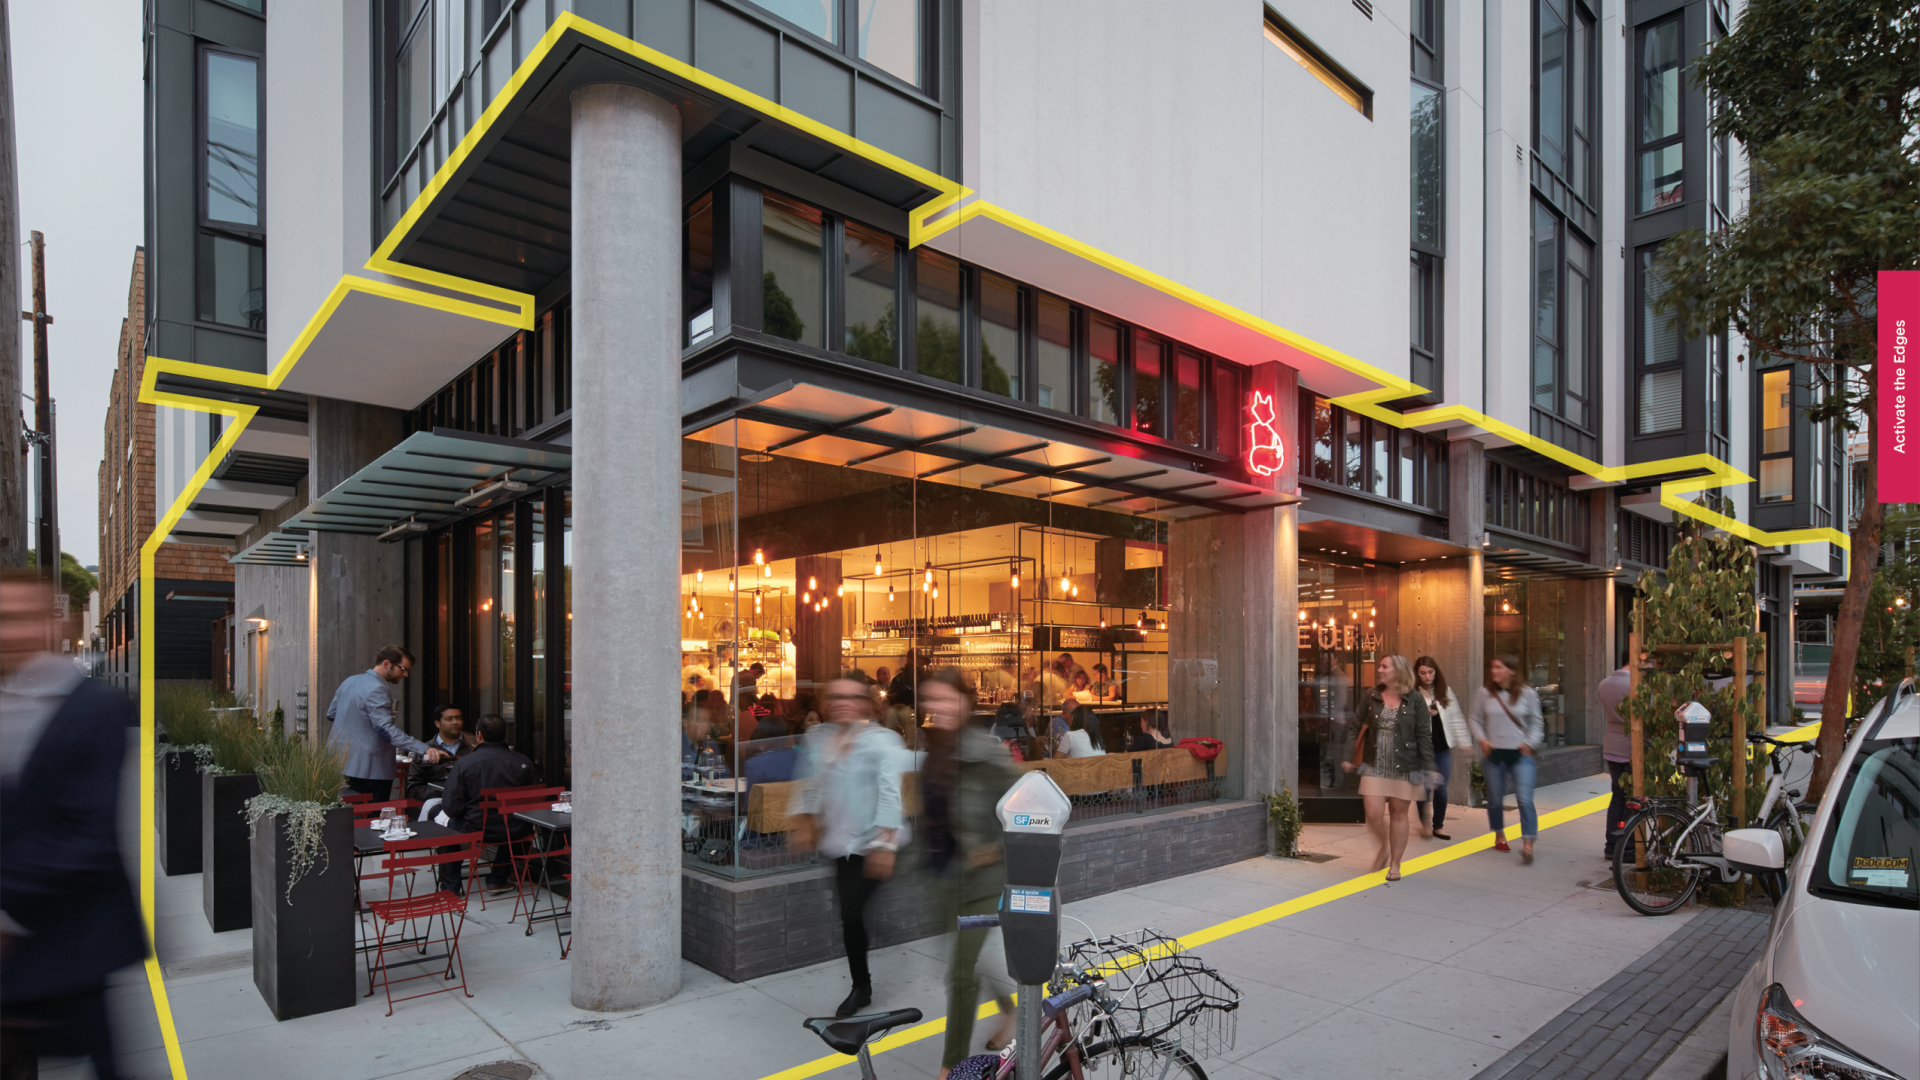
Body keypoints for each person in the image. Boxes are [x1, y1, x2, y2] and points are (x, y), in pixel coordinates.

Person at [0, 571, 145, 1079]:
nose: (9, 632)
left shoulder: (94, 706)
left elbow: (89, 836)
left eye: (19, 618)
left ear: (53, 621)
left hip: (75, 935)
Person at [918, 668, 1017, 1078]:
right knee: (967, 963)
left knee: (959, 974)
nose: (938, 707)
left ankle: (951, 1067)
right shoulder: (933, 750)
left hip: (982, 879)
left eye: (947, 698)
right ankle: (1009, 1011)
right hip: (944, 876)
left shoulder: (988, 755)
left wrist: (992, 847)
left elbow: (1021, 812)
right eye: (931, 699)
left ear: (966, 701)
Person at [791, 678, 904, 1019]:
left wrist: (884, 844)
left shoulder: (884, 741)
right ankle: (862, 985)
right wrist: (804, 819)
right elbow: (810, 782)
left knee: (852, 912)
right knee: (849, 915)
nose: (842, 703)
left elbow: (890, 791)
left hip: (873, 842)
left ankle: (860, 987)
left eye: (851, 697)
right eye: (835, 697)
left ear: (866, 704)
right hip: (839, 844)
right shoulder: (817, 737)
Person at [1344, 655, 1434, 881]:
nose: (1380, 670)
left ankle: (1395, 864)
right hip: (1374, 763)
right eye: (1380, 666)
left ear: (1398, 670)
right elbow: (1355, 725)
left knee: (1399, 815)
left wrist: (1430, 766)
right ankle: (1384, 846)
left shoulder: (1415, 699)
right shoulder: (1371, 695)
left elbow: (1424, 735)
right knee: (1373, 814)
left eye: (1385, 666)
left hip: (1405, 765)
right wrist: (1347, 756)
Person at [325, 645, 445, 802]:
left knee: (353, 811)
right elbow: (385, 730)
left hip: (342, 762)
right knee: (373, 813)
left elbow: (331, 714)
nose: (405, 674)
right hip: (371, 767)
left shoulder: (350, 681)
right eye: (403, 669)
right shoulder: (378, 688)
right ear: (387, 664)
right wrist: (424, 748)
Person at [437, 713, 540, 892]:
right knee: (515, 822)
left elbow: (451, 807)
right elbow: (534, 801)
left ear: (479, 735)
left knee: (449, 826)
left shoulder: (464, 764)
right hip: (516, 829)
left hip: (477, 828)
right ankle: (498, 878)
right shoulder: (523, 762)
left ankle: (450, 887)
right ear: (504, 735)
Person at [1468, 654, 1545, 863]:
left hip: (1520, 754)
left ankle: (1528, 843)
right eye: (1493, 667)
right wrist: (1482, 740)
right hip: (1494, 755)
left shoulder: (1528, 694)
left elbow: (1537, 723)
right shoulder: (1484, 693)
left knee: (1525, 799)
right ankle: (1499, 833)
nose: (1494, 671)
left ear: (1511, 670)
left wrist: (1530, 743)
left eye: (1499, 667)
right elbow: (1474, 719)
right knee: (1494, 799)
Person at [1412, 657, 1469, 841]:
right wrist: (1423, 714)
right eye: (1423, 673)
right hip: (1422, 748)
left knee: (1442, 789)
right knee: (1424, 789)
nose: (1427, 676)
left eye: (1430, 672)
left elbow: (1456, 717)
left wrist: (1465, 743)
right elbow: (1404, 720)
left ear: (1436, 672)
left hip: (1443, 747)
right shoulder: (1412, 693)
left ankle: (1438, 826)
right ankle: (1425, 824)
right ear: (1417, 674)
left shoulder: (1445, 691)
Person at [1596, 658, 1635, 859]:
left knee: (1618, 796)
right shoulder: (1636, 685)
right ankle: (1627, 847)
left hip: (1612, 745)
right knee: (1634, 799)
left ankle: (1612, 847)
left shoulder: (1604, 684)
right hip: (1632, 746)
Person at [405, 703, 474, 803]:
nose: (455, 722)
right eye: (449, 719)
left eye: (458, 718)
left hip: (470, 802)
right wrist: (443, 793)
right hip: (437, 802)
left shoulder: (473, 746)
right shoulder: (426, 750)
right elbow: (414, 788)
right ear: (437, 723)